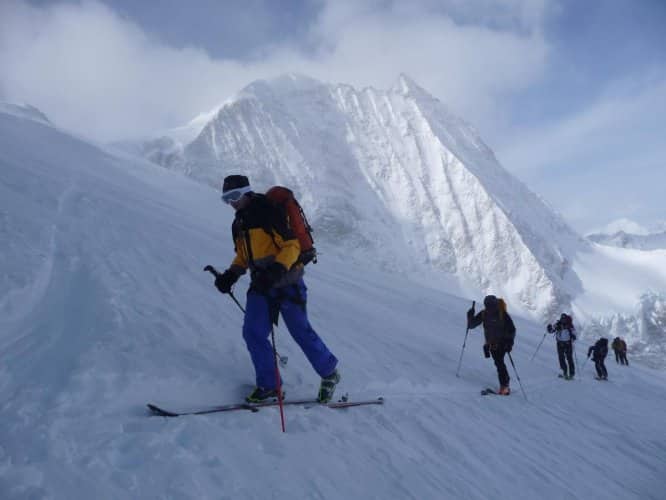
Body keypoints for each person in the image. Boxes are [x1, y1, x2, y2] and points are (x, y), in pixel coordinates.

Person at [213, 175, 340, 403]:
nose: (231, 202)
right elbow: (244, 256)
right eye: (226, 199)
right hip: (261, 285)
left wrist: (276, 270)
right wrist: (231, 275)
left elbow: (291, 245)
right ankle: (270, 386)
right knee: (253, 332)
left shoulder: (268, 212)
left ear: (246, 192)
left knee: (300, 331)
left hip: (288, 283)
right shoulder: (238, 222)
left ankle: (329, 373)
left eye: (234, 196)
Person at [467, 295, 516, 395]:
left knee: (499, 363)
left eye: (491, 305)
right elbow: (471, 325)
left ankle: (505, 386)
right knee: (498, 363)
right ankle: (505, 384)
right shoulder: (484, 314)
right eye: (487, 305)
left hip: (502, 344)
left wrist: (509, 343)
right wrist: (470, 316)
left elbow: (512, 330)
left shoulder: (502, 315)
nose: (489, 308)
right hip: (491, 344)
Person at [547, 313, 577, 380]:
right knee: (561, 358)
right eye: (562, 319)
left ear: (566, 319)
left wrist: (573, 336)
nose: (563, 320)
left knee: (569, 358)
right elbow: (552, 330)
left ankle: (571, 374)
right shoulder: (558, 324)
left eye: (564, 319)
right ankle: (565, 372)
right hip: (560, 343)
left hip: (567, 344)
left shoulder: (570, 326)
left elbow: (575, 334)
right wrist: (549, 328)